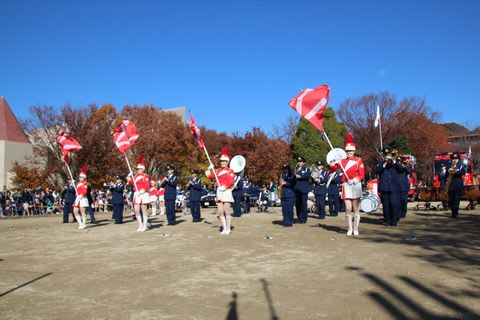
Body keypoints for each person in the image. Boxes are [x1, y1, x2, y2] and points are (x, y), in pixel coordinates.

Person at [206, 147, 235, 235]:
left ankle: (228, 228)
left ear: (227, 162)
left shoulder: (230, 170)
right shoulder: (218, 170)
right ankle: (224, 228)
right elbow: (209, 176)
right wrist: (209, 168)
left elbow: (231, 181)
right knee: (220, 211)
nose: (222, 162)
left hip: (226, 191)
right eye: (221, 161)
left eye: (224, 161)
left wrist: (224, 187)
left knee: (227, 210)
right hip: (219, 191)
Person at [340, 135, 365, 236]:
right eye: (347, 151)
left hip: (355, 185)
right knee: (347, 208)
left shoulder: (358, 160)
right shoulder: (342, 161)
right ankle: (349, 228)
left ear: (354, 151)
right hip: (346, 185)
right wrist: (332, 163)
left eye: (351, 151)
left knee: (356, 208)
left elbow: (362, 174)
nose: (349, 152)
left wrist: (354, 180)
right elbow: (334, 168)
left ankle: (356, 228)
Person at [375, 149, 402, 227]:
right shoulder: (381, 163)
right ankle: (387, 220)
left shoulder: (396, 164)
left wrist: (394, 161)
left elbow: (401, 169)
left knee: (394, 204)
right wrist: (384, 164)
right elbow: (377, 171)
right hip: (384, 187)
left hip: (394, 187)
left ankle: (394, 220)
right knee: (386, 205)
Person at [129, 156, 150, 232]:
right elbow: (130, 182)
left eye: (139, 169)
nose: (138, 170)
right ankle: (140, 225)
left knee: (144, 210)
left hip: (142, 194)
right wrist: (130, 175)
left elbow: (147, 185)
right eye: (137, 169)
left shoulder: (145, 176)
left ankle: (145, 225)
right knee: (136, 210)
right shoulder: (136, 176)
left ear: (143, 169)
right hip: (136, 194)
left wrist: (141, 191)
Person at [446, 153, 466, 218]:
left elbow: (463, 172)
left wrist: (454, 172)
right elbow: (446, 174)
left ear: (458, 160)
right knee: (451, 199)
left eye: (456, 159)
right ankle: (453, 211)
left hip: (458, 185)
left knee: (456, 199)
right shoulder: (449, 166)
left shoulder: (460, 166)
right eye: (453, 159)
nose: (454, 160)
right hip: (450, 185)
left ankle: (455, 212)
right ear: (451, 160)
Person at [294, 157, 311, 224]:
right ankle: (299, 218)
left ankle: (304, 218)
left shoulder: (306, 169)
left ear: (304, 163)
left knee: (304, 204)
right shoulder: (296, 169)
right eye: (298, 162)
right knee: (298, 204)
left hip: (304, 189)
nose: (299, 163)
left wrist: (300, 176)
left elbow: (308, 175)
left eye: (301, 162)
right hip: (297, 189)